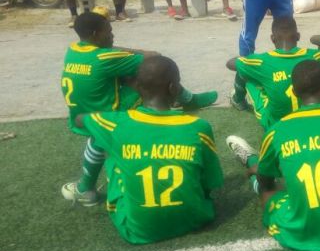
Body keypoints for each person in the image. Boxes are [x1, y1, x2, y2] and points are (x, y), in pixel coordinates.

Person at [60, 13, 217, 205]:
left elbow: (110, 55)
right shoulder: (104, 58)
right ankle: (187, 100)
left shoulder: (73, 50)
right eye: (108, 31)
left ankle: (85, 187)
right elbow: (153, 58)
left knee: (128, 76)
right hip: (107, 115)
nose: (112, 36)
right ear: (95, 34)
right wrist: (141, 51)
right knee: (155, 73)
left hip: (80, 115)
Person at [226, 60, 320, 251]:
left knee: (266, 188)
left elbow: (267, 182)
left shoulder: (276, 131)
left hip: (297, 231)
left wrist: (262, 172)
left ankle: (252, 161)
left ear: (294, 92)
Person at [73, 56, 223, 244]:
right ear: (173, 88)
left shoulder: (116, 123)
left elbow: (79, 119)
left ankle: (85, 188)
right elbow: (212, 181)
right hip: (196, 219)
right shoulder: (199, 126)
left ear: (137, 88)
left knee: (105, 141)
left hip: (137, 230)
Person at [226, 16, 320, 128]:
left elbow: (230, 64)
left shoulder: (262, 61)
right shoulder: (315, 56)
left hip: (276, 125)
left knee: (245, 72)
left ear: (272, 38)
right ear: (298, 36)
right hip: (312, 119)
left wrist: (247, 61)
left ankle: (238, 100)